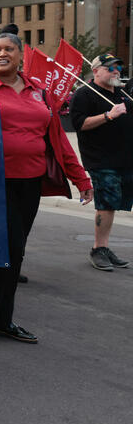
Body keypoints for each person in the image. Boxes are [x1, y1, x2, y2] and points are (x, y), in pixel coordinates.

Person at [0, 32, 92, 344]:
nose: (1, 54)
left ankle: (3, 319)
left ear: (21, 57)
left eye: (8, 49)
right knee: (9, 248)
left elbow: (57, 140)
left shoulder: (39, 91)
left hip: (29, 182)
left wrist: (81, 179)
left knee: (15, 253)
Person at [63, 53, 131, 271]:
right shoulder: (85, 93)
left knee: (115, 204)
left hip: (125, 158)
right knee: (107, 204)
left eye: (118, 67)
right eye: (110, 67)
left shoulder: (122, 93)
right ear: (97, 70)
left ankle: (104, 246)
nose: (116, 71)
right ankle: (97, 249)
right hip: (101, 159)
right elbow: (79, 123)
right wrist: (108, 116)